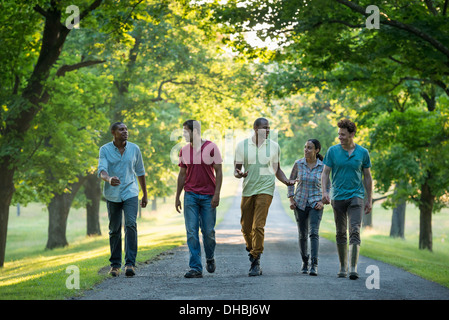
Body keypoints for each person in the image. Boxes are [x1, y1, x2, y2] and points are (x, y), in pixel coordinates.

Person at [234, 117, 296, 276]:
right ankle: (252, 249)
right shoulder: (242, 146)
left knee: (258, 226)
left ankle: (255, 260)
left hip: (266, 189)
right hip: (248, 190)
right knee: (246, 228)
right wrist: (239, 174)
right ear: (255, 129)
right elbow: (236, 169)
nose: (268, 130)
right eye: (264, 128)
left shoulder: (274, 147)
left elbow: (278, 170)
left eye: (269, 128)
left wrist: (286, 181)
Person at [321, 119, 372, 280]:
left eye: (343, 135)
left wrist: (369, 199)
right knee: (340, 232)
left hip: (356, 196)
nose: (340, 137)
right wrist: (325, 192)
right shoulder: (332, 151)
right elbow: (325, 173)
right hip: (337, 197)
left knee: (355, 230)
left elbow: (368, 177)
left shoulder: (363, 153)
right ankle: (342, 266)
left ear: (352, 134)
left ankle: (353, 268)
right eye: (339, 135)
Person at [98, 122, 148, 277]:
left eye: (126, 129)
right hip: (112, 194)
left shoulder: (134, 149)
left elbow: (140, 171)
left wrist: (145, 194)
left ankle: (130, 264)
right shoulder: (105, 149)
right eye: (121, 129)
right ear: (113, 132)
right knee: (114, 229)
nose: (125, 131)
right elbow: (102, 170)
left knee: (131, 224)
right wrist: (108, 179)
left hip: (131, 192)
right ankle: (114, 265)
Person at [175, 120, 223, 278]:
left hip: (208, 195)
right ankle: (195, 267)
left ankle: (210, 257)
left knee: (208, 232)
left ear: (194, 131)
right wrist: (177, 197)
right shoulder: (184, 150)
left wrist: (217, 194)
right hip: (191, 195)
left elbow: (219, 171)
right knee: (191, 232)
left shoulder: (211, 147)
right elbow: (182, 175)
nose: (183, 134)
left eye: (185, 131)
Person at [288, 139, 327, 276]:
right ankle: (305, 261)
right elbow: (290, 182)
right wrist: (291, 199)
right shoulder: (298, 164)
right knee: (302, 234)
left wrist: (323, 202)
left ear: (317, 150)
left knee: (314, 233)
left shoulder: (323, 167)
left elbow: (329, 187)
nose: (306, 150)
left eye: (310, 148)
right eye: (305, 147)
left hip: (316, 204)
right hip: (300, 203)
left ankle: (314, 265)